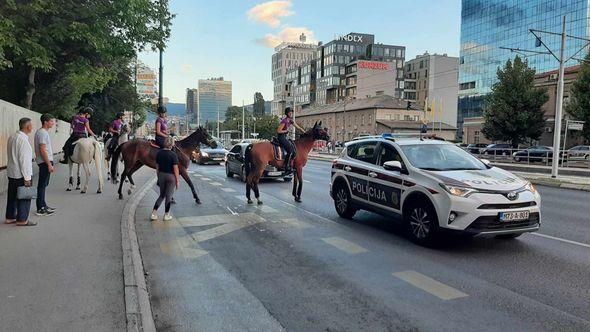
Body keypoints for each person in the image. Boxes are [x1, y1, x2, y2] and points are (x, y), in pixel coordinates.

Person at [5, 118, 36, 226]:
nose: (32, 127)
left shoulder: (12, 137)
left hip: (12, 173)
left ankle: (10, 217)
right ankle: (22, 220)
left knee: (12, 196)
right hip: (21, 174)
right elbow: (24, 161)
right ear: (27, 127)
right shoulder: (23, 140)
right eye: (31, 125)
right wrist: (27, 178)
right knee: (24, 197)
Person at [150, 136, 179, 221]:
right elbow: (176, 169)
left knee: (162, 195)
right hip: (171, 177)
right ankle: (166, 215)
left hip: (161, 175)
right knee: (169, 196)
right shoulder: (173, 155)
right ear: (172, 144)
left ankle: (153, 213)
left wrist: (159, 177)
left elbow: (157, 167)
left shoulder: (159, 153)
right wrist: (177, 181)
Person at [35, 113, 56, 216]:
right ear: (46, 122)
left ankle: (43, 204)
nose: (53, 123)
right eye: (51, 121)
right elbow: (42, 150)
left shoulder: (43, 132)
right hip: (44, 162)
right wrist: (49, 164)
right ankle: (41, 208)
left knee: (44, 184)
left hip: (45, 161)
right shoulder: (42, 133)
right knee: (42, 185)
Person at [277, 107, 304, 171]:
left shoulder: (291, 121)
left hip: (284, 137)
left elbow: (298, 127)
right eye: (290, 112)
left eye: (292, 112)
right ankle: (286, 165)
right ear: (287, 113)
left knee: (293, 149)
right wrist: (285, 131)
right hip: (281, 137)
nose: (291, 113)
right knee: (290, 150)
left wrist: (304, 132)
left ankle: (291, 163)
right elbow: (278, 131)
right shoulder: (284, 121)